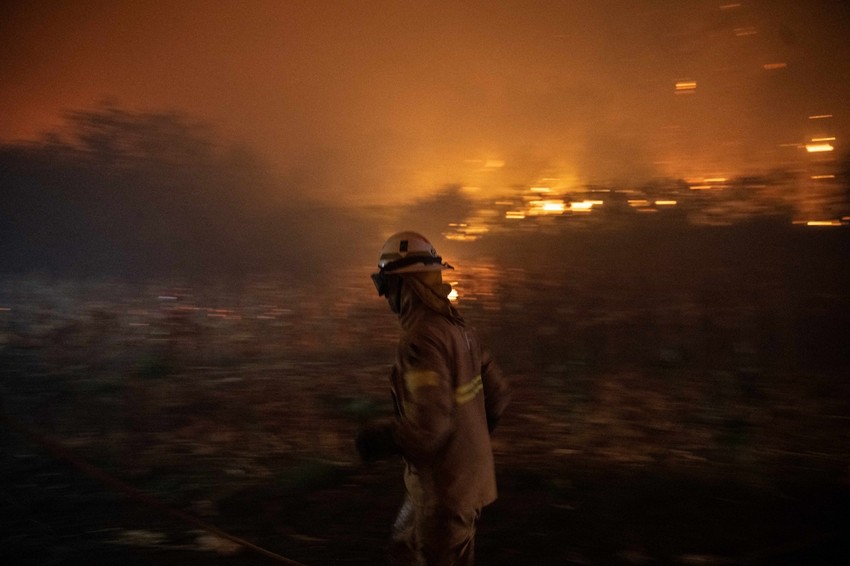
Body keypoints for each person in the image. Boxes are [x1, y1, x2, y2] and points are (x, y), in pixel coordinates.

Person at [356, 231, 511, 566]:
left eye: (385, 285)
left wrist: (381, 439)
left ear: (403, 285)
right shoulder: (460, 329)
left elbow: (429, 431)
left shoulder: (420, 339)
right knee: (402, 546)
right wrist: (468, 446)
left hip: (443, 492)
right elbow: (498, 396)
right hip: (462, 484)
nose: (384, 297)